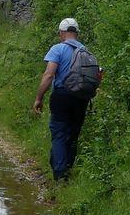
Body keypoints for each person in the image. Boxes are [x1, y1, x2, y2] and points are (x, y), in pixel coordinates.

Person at [32, 17, 96, 182]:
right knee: (73, 133)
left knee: (60, 133)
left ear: (61, 33)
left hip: (61, 95)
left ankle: (60, 175)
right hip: (81, 97)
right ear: (77, 33)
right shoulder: (85, 51)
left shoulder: (58, 49)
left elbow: (49, 75)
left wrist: (39, 98)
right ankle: (67, 169)